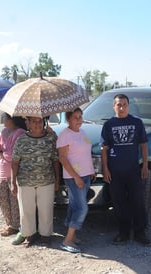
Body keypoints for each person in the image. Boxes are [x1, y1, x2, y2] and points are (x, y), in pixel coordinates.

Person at [100, 93, 151, 246]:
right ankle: (123, 232)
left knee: (138, 201)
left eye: (124, 105)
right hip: (115, 172)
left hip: (133, 170)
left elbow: (143, 145)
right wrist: (106, 169)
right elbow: (104, 149)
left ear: (128, 106)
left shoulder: (136, 123)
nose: (121, 107)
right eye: (118, 105)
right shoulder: (108, 125)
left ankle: (140, 232)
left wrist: (145, 166)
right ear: (113, 106)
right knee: (119, 203)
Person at [11, 116, 60, 247]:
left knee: (46, 209)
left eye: (40, 121)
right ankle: (29, 235)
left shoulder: (50, 139)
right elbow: (15, 162)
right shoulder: (21, 140)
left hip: (47, 180)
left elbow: (56, 160)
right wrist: (12, 182)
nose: (38, 123)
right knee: (27, 210)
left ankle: (45, 235)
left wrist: (57, 180)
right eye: (34, 121)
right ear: (28, 124)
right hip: (25, 181)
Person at [56, 107, 96, 253]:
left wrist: (91, 170)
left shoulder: (82, 132)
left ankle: (72, 236)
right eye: (75, 117)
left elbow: (86, 154)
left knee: (74, 206)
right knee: (82, 208)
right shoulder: (65, 135)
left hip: (85, 175)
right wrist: (77, 177)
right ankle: (66, 240)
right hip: (74, 178)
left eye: (80, 116)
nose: (79, 120)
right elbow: (63, 158)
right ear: (68, 119)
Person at [0, 113, 27, 238]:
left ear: (12, 119)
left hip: (14, 173)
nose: (3, 120)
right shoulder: (4, 132)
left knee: (14, 201)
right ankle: (11, 224)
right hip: (3, 172)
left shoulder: (20, 133)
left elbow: (14, 155)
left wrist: (2, 152)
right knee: (1, 198)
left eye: (5, 118)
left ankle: (15, 226)